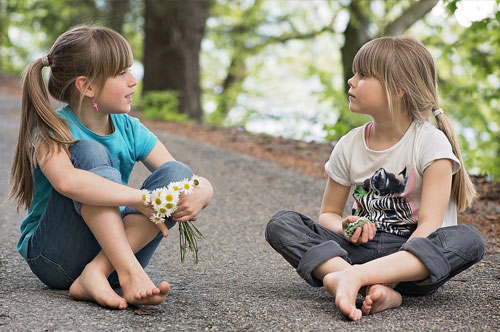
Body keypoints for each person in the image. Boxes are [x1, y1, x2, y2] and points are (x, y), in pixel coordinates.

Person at [265, 36, 485, 321]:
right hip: (356, 251)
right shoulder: (350, 144)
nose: (351, 81)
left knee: (469, 240)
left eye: (364, 75)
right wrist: (346, 226)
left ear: (398, 89)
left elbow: (430, 226)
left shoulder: (431, 144)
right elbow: (329, 213)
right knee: (282, 223)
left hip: (410, 264)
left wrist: (388, 279)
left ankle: (347, 279)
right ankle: (356, 281)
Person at [9, 25, 213, 310]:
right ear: (87, 86)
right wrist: (142, 199)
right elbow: (67, 183)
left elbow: (182, 176)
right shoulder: (52, 130)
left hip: (114, 257)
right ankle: (128, 272)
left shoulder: (130, 129)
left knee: (177, 174)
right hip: (56, 258)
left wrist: (203, 191)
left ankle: (98, 272)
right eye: (121, 73)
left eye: (130, 70)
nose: (133, 81)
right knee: (90, 151)